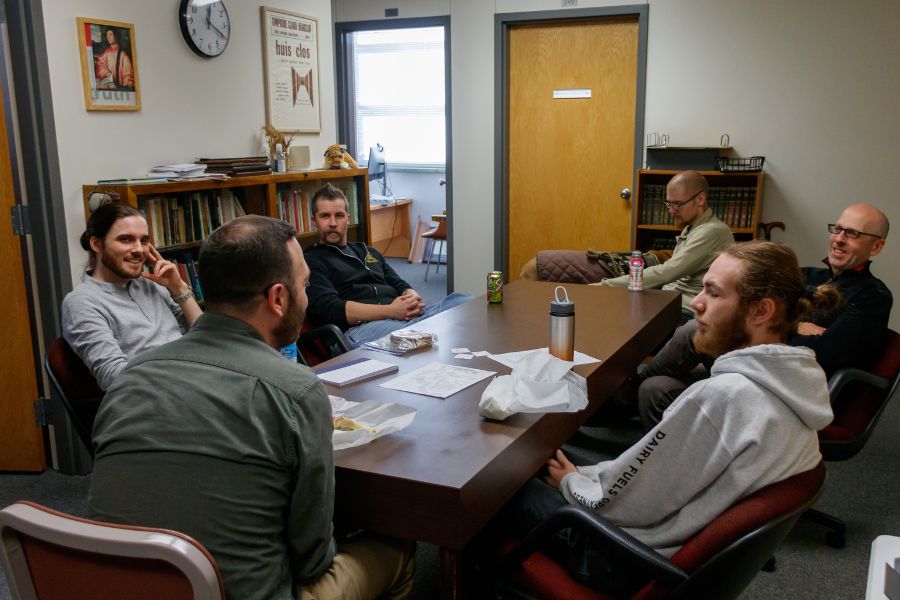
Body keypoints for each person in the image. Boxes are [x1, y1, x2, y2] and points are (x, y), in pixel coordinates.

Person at [88, 215, 415, 600]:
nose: (307, 298)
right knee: (398, 547)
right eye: (304, 285)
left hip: (120, 587)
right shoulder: (295, 390)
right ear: (278, 298)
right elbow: (312, 560)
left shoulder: (130, 377)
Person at [500, 240, 838, 595]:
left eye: (713, 292)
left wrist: (572, 484)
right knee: (542, 459)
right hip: (668, 542)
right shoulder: (796, 381)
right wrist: (577, 476)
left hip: (619, 556)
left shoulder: (724, 398)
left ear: (760, 311)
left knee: (497, 485)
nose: (696, 302)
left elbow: (628, 505)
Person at [636, 203, 892, 429]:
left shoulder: (874, 298)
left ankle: (629, 392)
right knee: (656, 385)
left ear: (877, 246)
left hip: (787, 386)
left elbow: (825, 352)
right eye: (837, 229)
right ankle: (634, 399)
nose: (839, 239)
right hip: (750, 364)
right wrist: (798, 326)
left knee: (688, 337)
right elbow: (749, 311)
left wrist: (780, 328)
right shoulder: (807, 276)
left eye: (853, 234)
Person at [521, 171, 734, 323]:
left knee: (611, 313)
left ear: (701, 199)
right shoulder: (694, 227)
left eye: (677, 204)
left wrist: (606, 286)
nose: (671, 210)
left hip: (685, 308)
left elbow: (667, 272)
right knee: (610, 307)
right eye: (668, 203)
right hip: (670, 299)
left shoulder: (711, 231)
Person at [304, 183, 471, 347]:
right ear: (314, 221)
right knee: (417, 336)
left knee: (464, 301)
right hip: (363, 328)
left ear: (348, 218)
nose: (333, 223)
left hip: (400, 318)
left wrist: (412, 297)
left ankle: (426, 327)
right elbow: (330, 310)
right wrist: (392, 310)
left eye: (339, 215)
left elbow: (399, 284)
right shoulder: (313, 260)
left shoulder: (369, 252)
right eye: (325, 216)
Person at [62, 203, 202, 390]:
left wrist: (179, 289)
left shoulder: (153, 285)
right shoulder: (82, 302)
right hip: (152, 399)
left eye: (144, 241)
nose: (139, 250)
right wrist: (186, 371)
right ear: (96, 244)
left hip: (195, 384)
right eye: (126, 239)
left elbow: (204, 337)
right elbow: (113, 377)